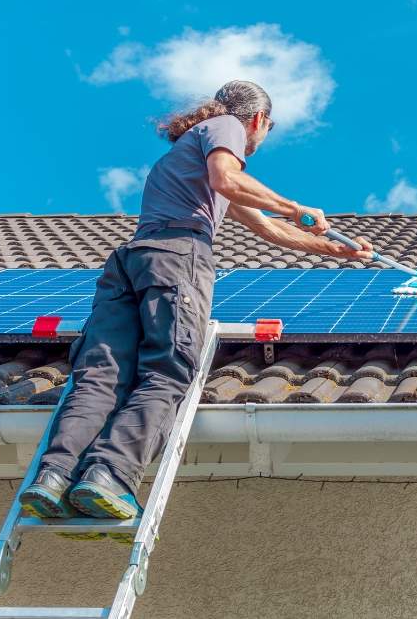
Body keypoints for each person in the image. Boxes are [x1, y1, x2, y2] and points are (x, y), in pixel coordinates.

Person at [19, 80, 373, 519]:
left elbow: (266, 228)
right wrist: (296, 206)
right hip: (175, 258)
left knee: (101, 376)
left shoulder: (184, 155)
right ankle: (108, 475)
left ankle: (53, 477)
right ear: (259, 120)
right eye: (265, 130)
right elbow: (230, 178)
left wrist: (339, 250)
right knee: (167, 372)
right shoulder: (226, 128)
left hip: (130, 262)